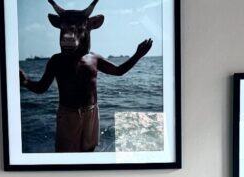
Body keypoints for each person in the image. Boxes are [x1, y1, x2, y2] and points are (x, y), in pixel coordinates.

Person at [19, 0, 153, 152]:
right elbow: (41, 88)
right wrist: (25, 81)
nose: (69, 34)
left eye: (78, 28)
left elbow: (118, 71)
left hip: (91, 112)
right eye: (65, 29)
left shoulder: (93, 59)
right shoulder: (57, 60)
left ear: (91, 26)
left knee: (89, 153)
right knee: (65, 156)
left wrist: (138, 55)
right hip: (68, 115)